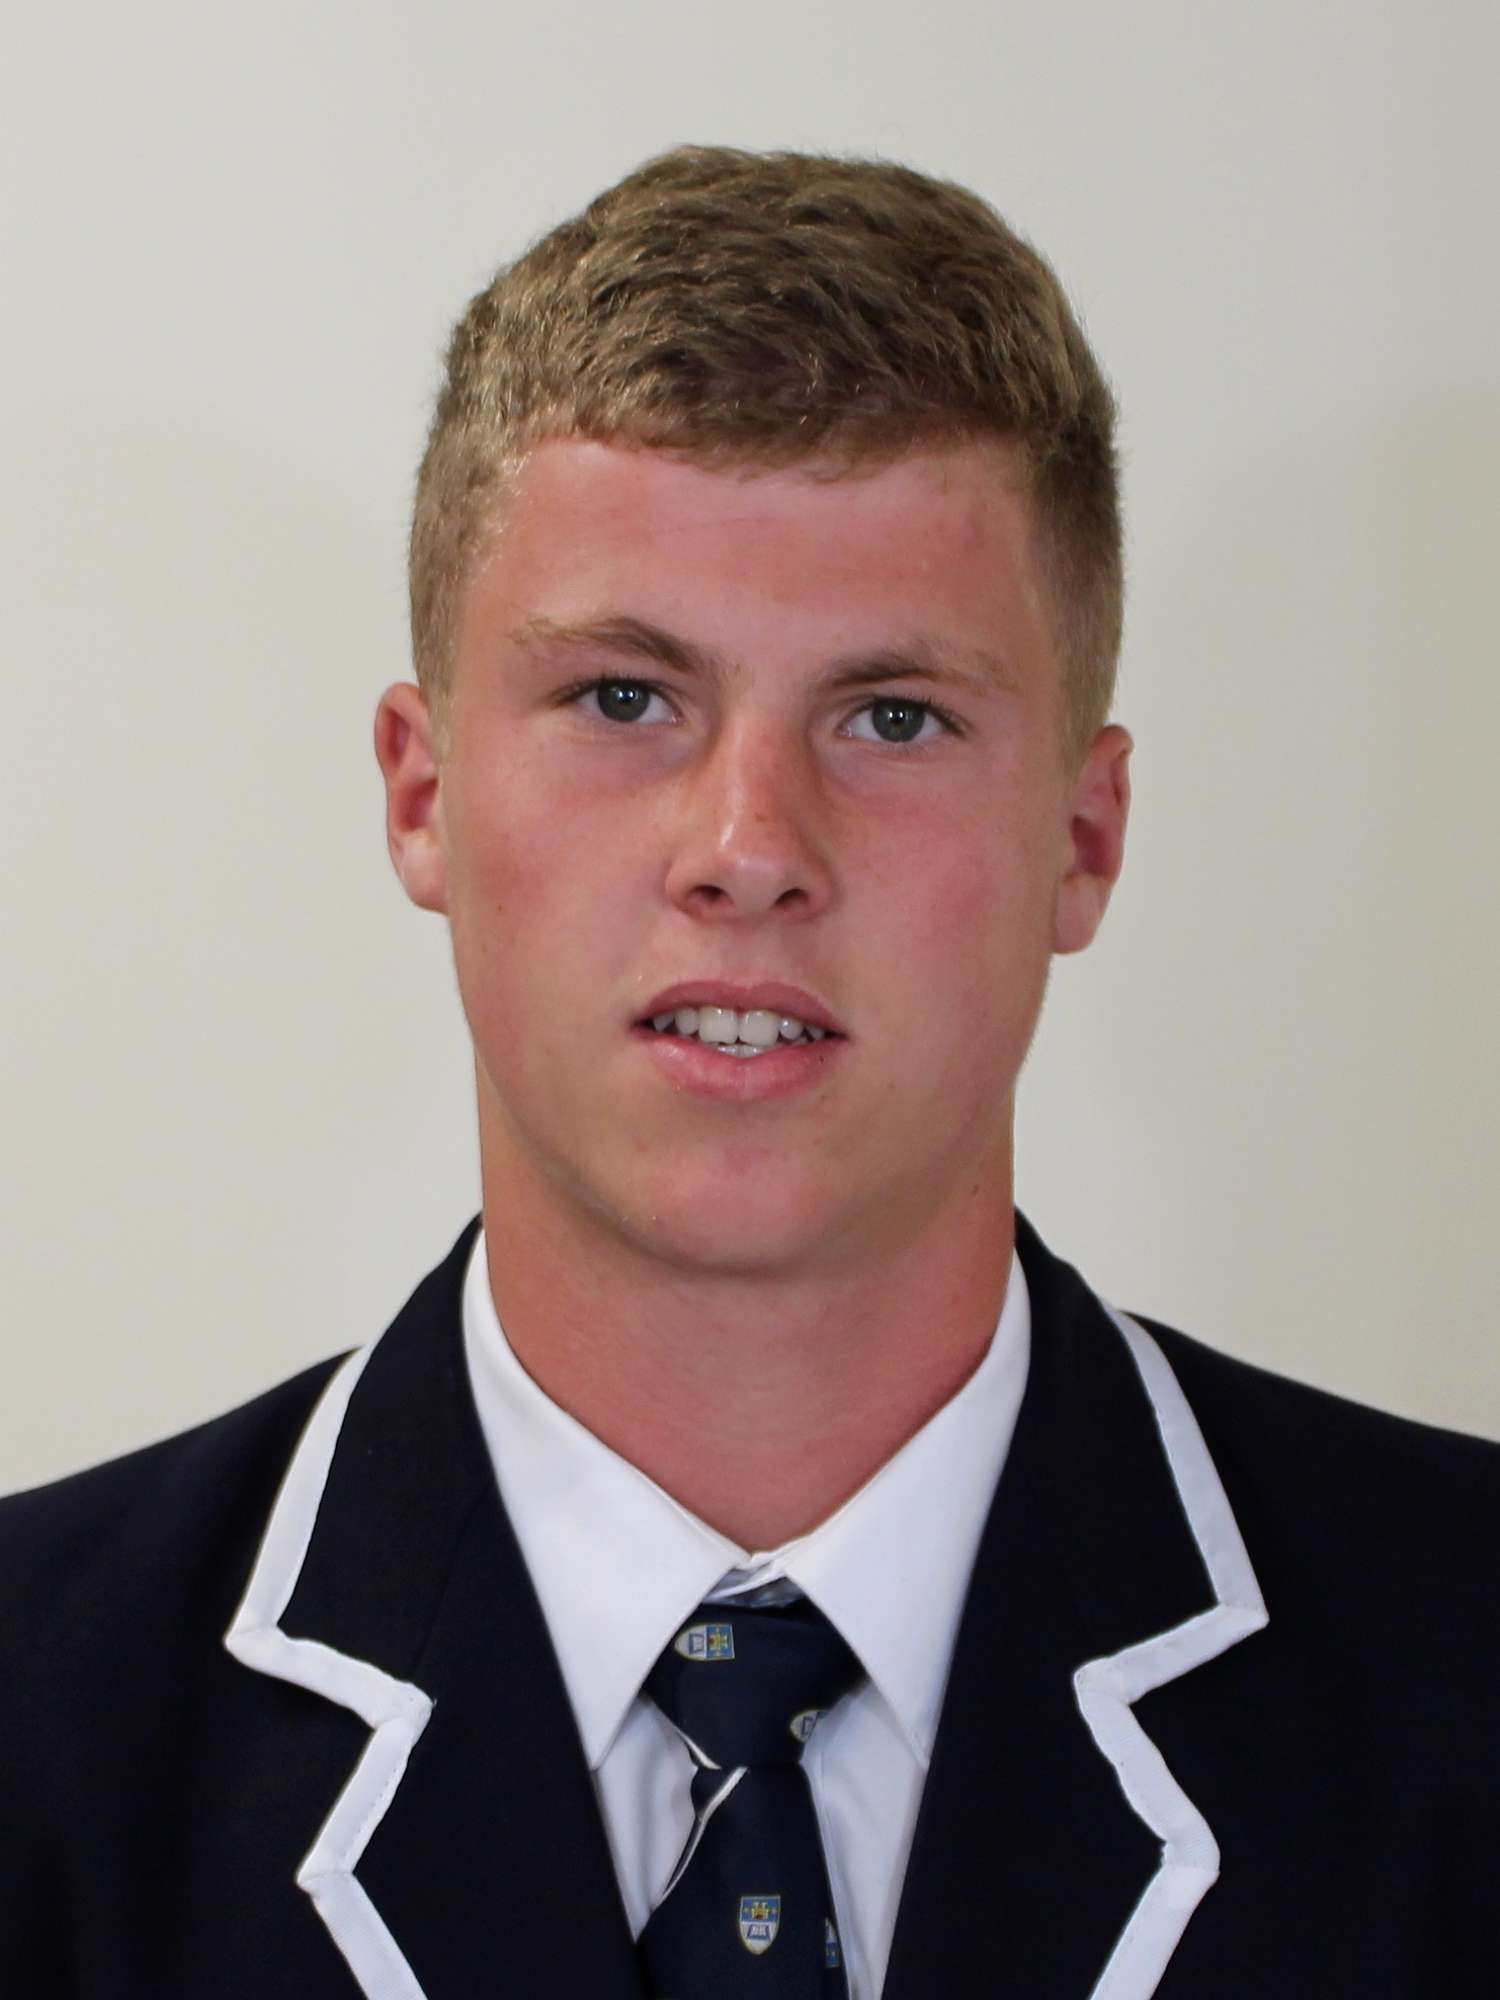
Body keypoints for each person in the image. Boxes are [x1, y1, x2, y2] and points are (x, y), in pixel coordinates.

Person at [1, 144, 1495, 2000]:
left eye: (894, 716)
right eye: (624, 698)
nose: (750, 847)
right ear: (424, 793)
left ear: (1083, 837)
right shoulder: (36, 1727)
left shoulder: (1469, 1663)